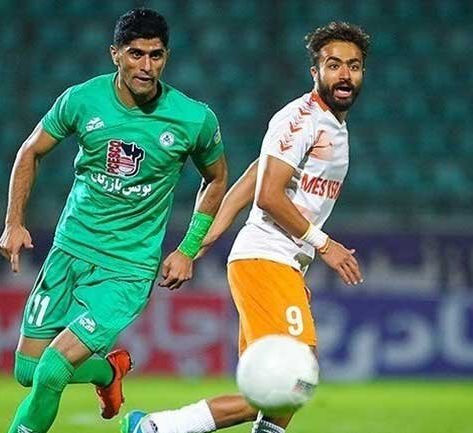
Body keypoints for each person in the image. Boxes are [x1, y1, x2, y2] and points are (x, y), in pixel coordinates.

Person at [122, 21, 370, 433]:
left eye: (354, 66)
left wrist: (201, 242)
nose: (344, 74)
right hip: (266, 258)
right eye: (334, 65)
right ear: (315, 72)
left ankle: (154, 428)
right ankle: (154, 428)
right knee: (296, 373)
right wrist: (324, 245)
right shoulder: (302, 119)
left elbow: (256, 174)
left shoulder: (331, 125)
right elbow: (269, 195)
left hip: (279, 263)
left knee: (274, 390)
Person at [0, 8, 228, 433]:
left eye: (156, 56)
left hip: (127, 268)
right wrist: (14, 222)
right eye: (136, 54)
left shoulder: (193, 118)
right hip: (70, 250)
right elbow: (30, 151)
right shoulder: (82, 99)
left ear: (166, 57)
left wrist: (188, 248)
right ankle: (108, 372)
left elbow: (216, 178)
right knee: (28, 370)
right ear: (115, 54)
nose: (147, 66)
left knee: (53, 369)